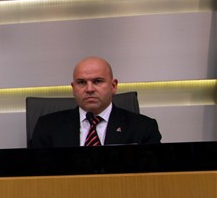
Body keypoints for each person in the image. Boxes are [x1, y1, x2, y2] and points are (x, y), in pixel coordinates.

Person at [29, 56, 161, 148]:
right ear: (73, 88)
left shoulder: (143, 128)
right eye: (82, 82)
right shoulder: (47, 127)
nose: (89, 89)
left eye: (97, 81)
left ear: (113, 86)